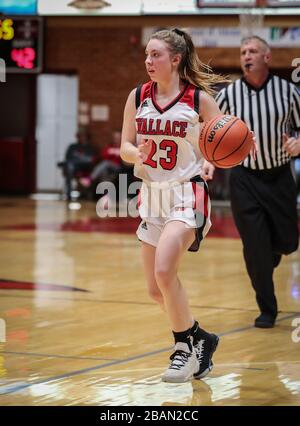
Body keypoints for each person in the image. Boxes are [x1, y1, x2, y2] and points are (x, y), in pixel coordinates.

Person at [120, 28, 233, 383]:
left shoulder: (198, 100)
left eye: (155, 55)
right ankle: (202, 339)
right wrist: (134, 152)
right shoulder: (138, 95)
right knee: (156, 290)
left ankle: (183, 351)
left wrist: (215, 160)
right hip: (151, 196)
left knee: (165, 272)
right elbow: (124, 145)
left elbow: (221, 139)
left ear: (175, 59)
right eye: (147, 56)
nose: (148, 61)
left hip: (187, 194)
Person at [216, 36, 300, 328]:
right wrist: (206, 160)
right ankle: (267, 308)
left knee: (288, 242)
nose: (246, 56)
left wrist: (298, 143)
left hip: (279, 176)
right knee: (254, 247)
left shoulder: (289, 92)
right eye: (242, 52)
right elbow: (211, 132)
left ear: (267, 57)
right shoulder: (228, 95)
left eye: (252, 51)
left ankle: (271, 254)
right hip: (244, 178)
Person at [59, 127, 96, 201]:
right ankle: (68, 194)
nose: (82, 137)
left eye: (83, 135)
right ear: (77, 136)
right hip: (72, 168)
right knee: (69, 167)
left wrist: (78, 160)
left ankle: (71, 192)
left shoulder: (90, 148)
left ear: (87, 137)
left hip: (84, 168)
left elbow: (90, 161)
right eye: (80, 135)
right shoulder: (72, 146)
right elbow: (68, 158)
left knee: (70, 166)